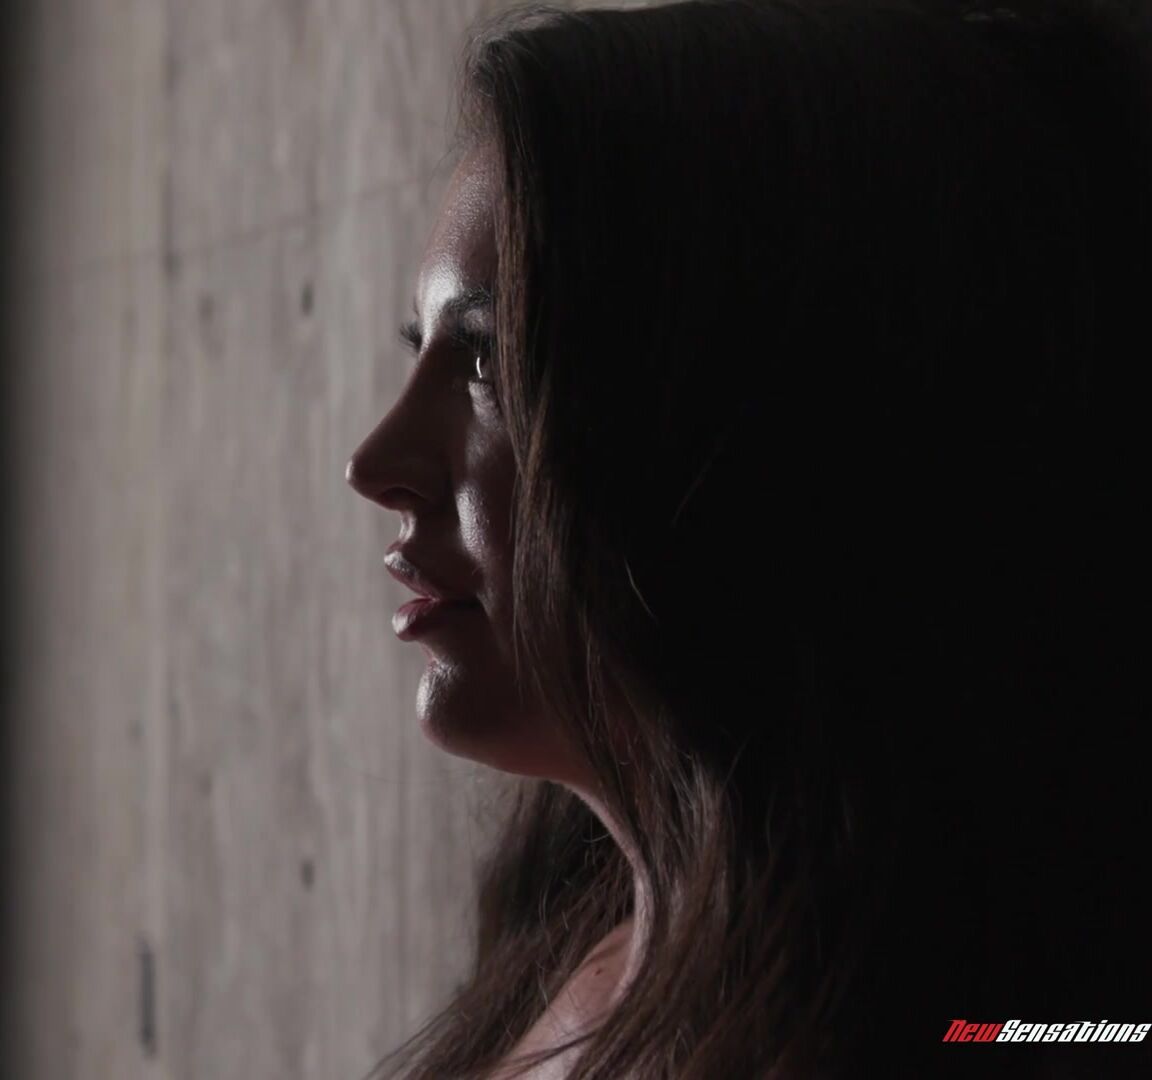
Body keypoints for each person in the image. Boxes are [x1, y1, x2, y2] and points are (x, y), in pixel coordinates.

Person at [344, 0, 1152, 1076]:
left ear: (735, 430)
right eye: (424, 352)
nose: (376, 463)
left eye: (490, 360)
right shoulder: (569, 947)